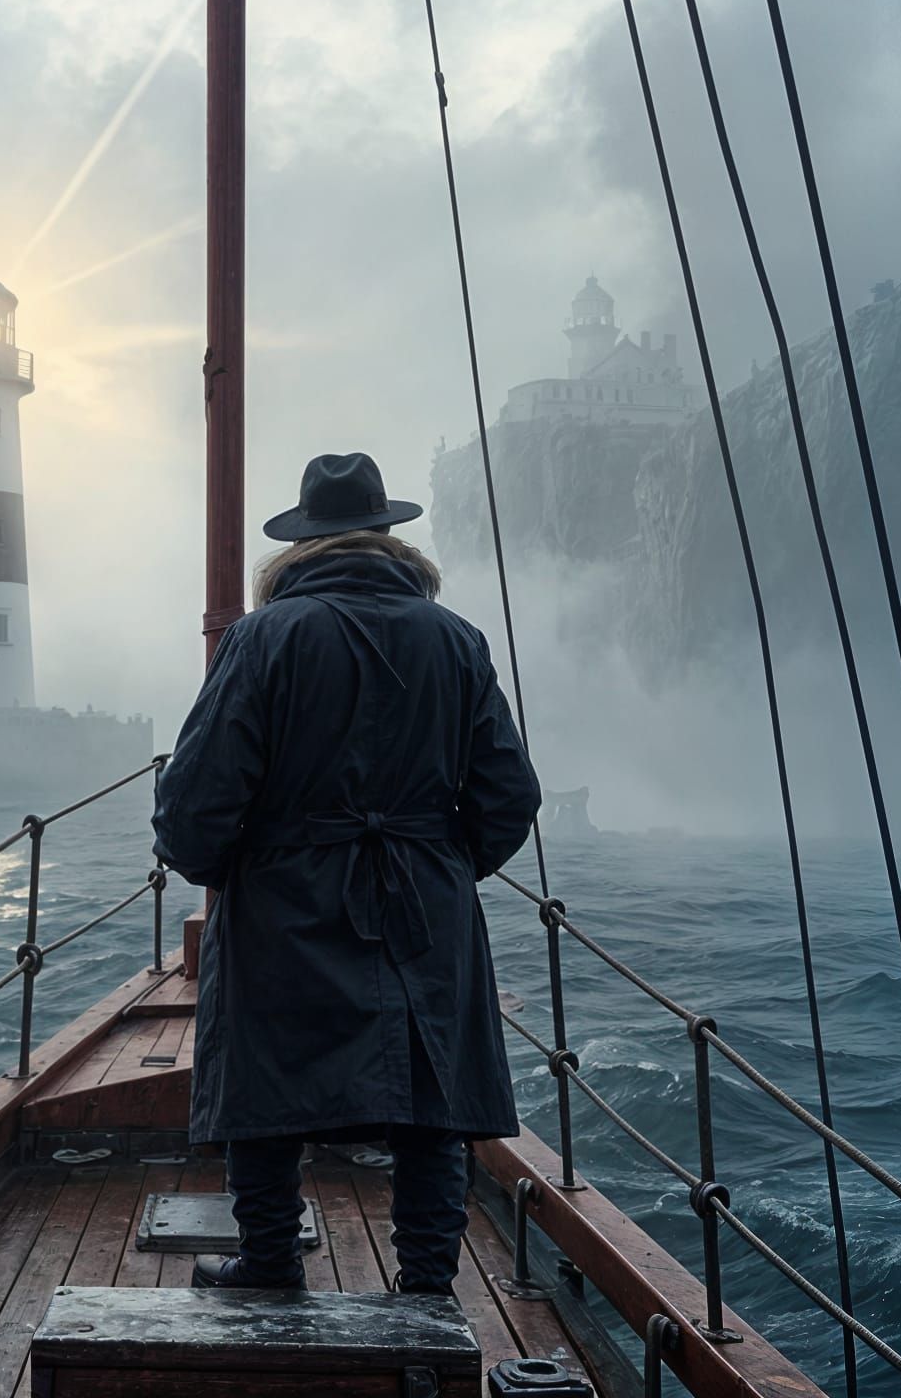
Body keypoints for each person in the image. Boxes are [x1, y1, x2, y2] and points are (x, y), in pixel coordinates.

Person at [152, 452, 541, 1294]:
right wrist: (441, 863)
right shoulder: (457, 640)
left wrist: (236, 872)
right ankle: (431, 1282)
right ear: (388, 536)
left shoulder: (262, 640)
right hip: (424, 899)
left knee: (265, 1076)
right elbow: (511, 795)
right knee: (429, 1090)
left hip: (284, 899)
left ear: (302, 544)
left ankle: (267, 1264)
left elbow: (193, 806)